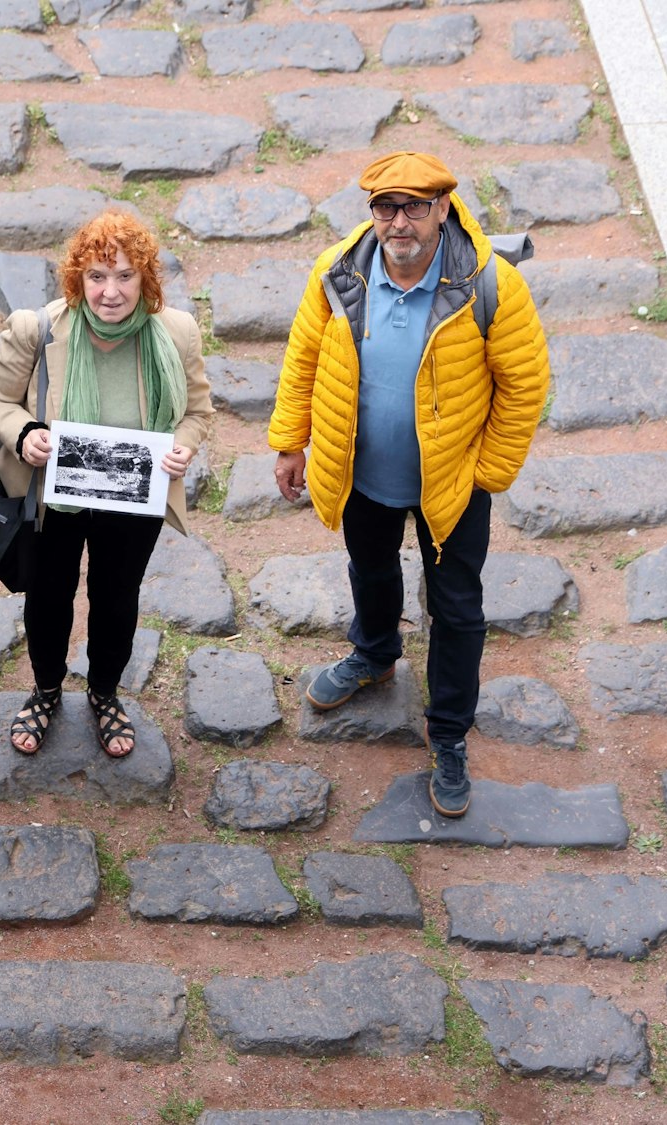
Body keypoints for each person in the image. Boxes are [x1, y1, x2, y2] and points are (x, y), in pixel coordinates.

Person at [268, 150, 550, 818]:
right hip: (360, 470)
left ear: (443, 209)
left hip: (452, 484)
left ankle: (449, 731)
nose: (400, 223)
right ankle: (375, 652)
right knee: (368, 567)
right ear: (372, 212)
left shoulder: (489, 285)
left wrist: (490, 472)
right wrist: (290, 440)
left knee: (456, 607)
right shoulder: (339, 271)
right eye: (386, 207)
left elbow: (525, 384)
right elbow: (303, 353)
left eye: (415, 207)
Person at [0, 210, 214, 758]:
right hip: (55, 497)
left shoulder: (175, 333)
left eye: (125, 276)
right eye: (97, 277)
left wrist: (184, 445)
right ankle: (47, 689)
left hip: (135, 495)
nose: (111, 292)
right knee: (50, 595)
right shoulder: (40, 328)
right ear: (77, 281)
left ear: (145, 279)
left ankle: (105, 693)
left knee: (116, 597)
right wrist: (24, 432)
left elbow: (198, 411)